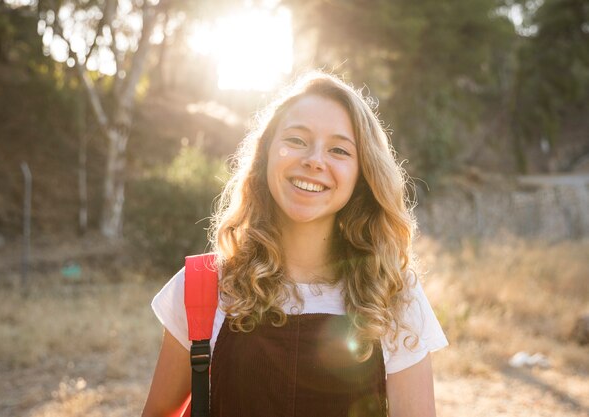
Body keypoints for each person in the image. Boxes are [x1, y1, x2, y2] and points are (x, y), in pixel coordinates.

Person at [142, 71, 448, 417]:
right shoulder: (201, 288)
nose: (315, 160)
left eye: (338, 149)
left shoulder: (394, 296)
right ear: (266, 154)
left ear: (362, 176)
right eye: (297, 140)